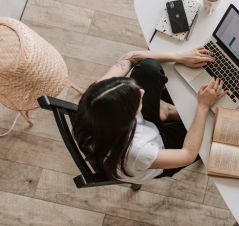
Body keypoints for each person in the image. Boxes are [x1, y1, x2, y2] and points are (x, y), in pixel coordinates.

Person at [72, 47, 227, 184]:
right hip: (160, 150)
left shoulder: (97, 97)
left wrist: (180, 56)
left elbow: (130, 57)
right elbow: (188, 154)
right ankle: (166, 112)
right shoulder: (139, 152)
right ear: (127, 118)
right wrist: (202, 107)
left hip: (137, 130)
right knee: (216, 129)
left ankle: (164, 112)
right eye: (137, 99)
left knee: (148, 67)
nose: (142, 91)